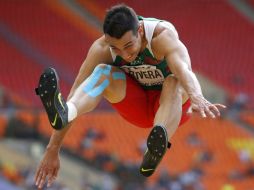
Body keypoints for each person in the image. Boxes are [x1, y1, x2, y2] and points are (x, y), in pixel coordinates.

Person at [34, 4, 226, 188]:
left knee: (173, 80)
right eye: (115, 48)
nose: (124, 54)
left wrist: (197, 95)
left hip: (171, 108)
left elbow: (184, 69)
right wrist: (53, 148)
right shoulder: (102, 48)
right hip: (138, 106)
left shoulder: (161, 36)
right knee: (103, 71)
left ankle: (156, 146)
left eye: (128, 45)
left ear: (140, 30)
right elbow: (77, 90)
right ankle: (67, 114)